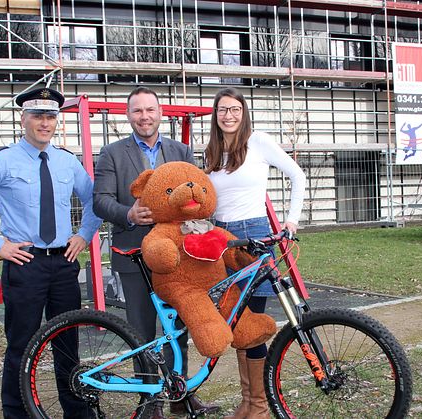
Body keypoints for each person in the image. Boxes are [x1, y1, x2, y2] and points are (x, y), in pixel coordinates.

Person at [0, 87, 103, 418]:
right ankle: (18, 412)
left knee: (68, 344)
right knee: (22, 345)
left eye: (51, 117)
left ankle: (76, 412)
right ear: (24, 120)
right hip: (26, 263)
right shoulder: (2, 160)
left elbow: (94, 200)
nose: (45, 123)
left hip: (64, 262)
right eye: (38, 116)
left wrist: (84, 235)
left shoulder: (66, 161)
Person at [92, 86, 220, 419]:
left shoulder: (180, 150)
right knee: (142, 330)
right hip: (133, 254)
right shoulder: (111, 153)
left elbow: (196, 198)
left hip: (179, 258)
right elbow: (100, 200)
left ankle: (181, 396)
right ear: (128, 115)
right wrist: (128, 214)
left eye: (150, 110)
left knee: (179, 327)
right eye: (137, 111)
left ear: (160, 113)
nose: (144, 116)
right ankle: (150, 404)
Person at [205, 87, 306, 419]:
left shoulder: (258, 141)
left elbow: (297, 175)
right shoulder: (213, 151)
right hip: (221, 237)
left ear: (243, 112)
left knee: (253, 320)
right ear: (216, 115)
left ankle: (259, 406)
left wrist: (291, 220)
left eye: (234, 109)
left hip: (253, 236)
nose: (229, 115)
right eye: (222, 110)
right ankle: (248, 402)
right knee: (234, 321)